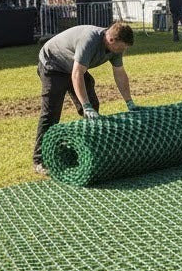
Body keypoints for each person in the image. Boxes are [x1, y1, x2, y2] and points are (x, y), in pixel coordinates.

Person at [32, 21, 137, 175]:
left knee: (92, 104)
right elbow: (77, 74)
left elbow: (120, 73)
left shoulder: (115, 48)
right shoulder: (89, 41)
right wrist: (85, 106)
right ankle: (39, 160)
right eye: (121, 48)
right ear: (111, 40)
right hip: (53, 64)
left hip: (73, 66)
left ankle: (89, 149)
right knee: (51, 112)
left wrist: (129, 103)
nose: (122, 51)